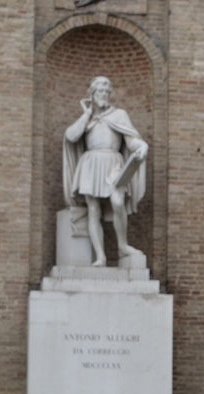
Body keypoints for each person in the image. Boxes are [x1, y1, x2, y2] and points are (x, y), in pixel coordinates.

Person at [63, 76, 149, 266]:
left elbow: (130, 140)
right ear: (91, 95)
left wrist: (141, 145)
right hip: (91, 162)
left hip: (112, 162)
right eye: (99, 91)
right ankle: (101, 256)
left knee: (117, 201)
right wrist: (86, 115)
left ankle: (122, 246)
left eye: (106, 91)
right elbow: (71, 136)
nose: (103, 95)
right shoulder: (88, 118)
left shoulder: (119, 115)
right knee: (93, 209)